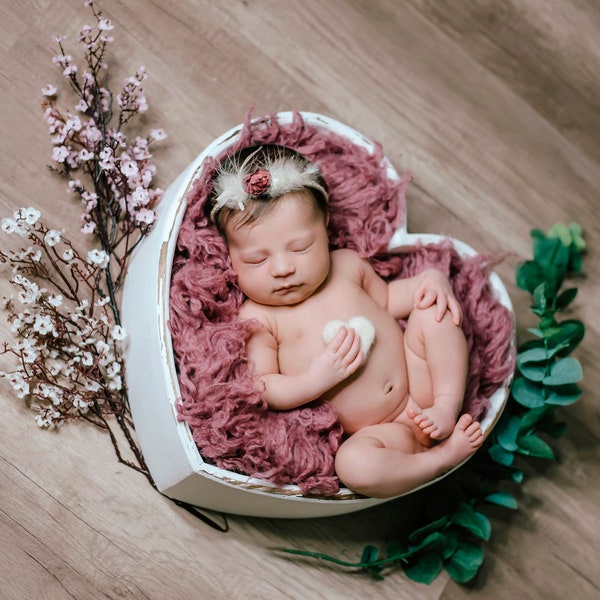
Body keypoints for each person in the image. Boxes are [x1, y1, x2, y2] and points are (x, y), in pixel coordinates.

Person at [209, 145, 483, 498]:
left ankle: (448, 403)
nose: (282, 269)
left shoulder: (347, 266)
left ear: (324, 226)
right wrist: (315, 379)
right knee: (353, 466)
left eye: (300, 248)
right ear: (230, 256)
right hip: (378, 432)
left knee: (434, 311)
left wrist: (431, 281)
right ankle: (439, 460)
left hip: (421, 386)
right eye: (257, 260)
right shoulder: (259, 317)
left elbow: (389, 300)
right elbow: (265, 386)